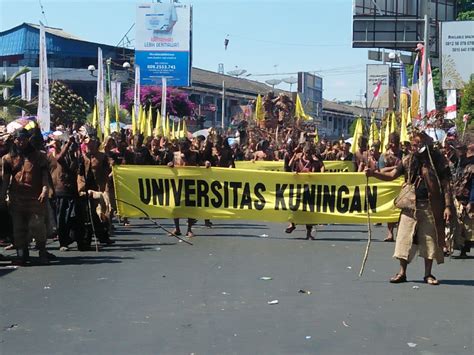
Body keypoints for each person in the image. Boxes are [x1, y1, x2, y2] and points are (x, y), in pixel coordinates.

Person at [365, 131, 452, 285]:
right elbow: (392, 174)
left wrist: (447, 206)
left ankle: (428, 274)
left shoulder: (438, 161)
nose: (415, 147)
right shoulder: (408, 160)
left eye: (418, 144)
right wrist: (373, 174)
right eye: (413, 144)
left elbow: (446, 185)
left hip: (430, 206)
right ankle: (402, 272)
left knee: (430, 240)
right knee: (404, 238)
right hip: (410, 205)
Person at [1, 129, 52, 265]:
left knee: (37, 225)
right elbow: (6, 180)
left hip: (35, 198)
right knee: (18, 228)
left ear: (28, 139)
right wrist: (2, 197)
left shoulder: (39, 156)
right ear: (14, 140)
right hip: (16, 199)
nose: (21, 142)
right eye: (18, 139)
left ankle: (42, 251)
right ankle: (22, 254)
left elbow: (44, 175)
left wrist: (45, 189)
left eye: (23, 139)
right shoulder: (7, 158)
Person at [48, 136, 86, 251]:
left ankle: (79, 241)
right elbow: (60, 158)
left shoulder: (75, 158)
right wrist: (68, 143)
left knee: (77, 218)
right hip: (62, 193)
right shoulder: (60, 158)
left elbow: (78, 170)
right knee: (62, 219)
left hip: (73, 192)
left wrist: (78, 148)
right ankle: (63, 242)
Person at [285, 143, 324, 240]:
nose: (308, 155)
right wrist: (294, 157)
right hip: (298, 187)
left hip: (309, 189)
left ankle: (308, 232)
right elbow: (289, 166)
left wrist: (320, 174)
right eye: (306, 153)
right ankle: (292, 224)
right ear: (303, 151)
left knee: (309, 211)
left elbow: (322, 167)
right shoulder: (298, 158)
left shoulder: (315, 162)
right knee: (293, 206)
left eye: (310, 153)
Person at [379, 132, 402, 242]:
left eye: (395, 142)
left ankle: (400, 232)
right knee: (390, 208)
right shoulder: (384, 156)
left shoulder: (403, 154)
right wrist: (396, 167)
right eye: (391, 142)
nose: (393, 145)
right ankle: (390, 233)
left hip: (401, 184)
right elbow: (382, 170)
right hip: (389, 184)